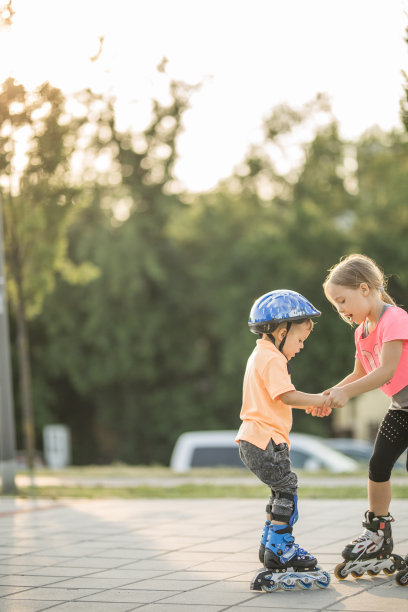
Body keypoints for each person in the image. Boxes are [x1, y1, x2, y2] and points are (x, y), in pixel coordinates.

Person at [236, 289, 331, 584]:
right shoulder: (273, 359)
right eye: (300, 339)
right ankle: (281, 548)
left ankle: (269, 545)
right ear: (281, 331)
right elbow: (286, 395)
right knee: (287, 490)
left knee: (279, 491)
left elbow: (277, 399)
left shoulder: (259, 354)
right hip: (267, 441)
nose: (301, 346)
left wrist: (308, 404)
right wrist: (318, 399)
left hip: (251, 439)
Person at [323, 253, 408, 570]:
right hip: (402, 407)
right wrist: (330, 394)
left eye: (342, 301)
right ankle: (378, 533)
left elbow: (386, 371)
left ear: (364, 288)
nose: (341, 310)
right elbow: (359, 373)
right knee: (378, 464)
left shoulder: (395, 319)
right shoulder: (361, 332)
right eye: (336, 306)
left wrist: (345, 393)